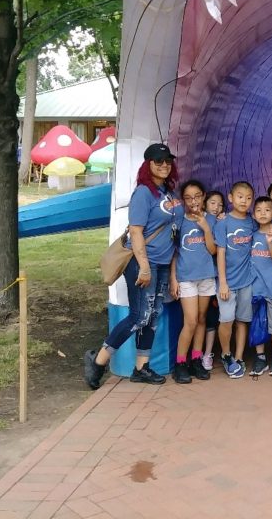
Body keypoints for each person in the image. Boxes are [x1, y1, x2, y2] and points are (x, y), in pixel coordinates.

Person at [83, 143, 179, 389]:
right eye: (158, 161)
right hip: (143, 263)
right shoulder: (143, 193)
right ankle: (98, 361)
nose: (164, 165)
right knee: (139, 317)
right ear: (148, 164)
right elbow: (136, 232)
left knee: (152, 316)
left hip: (162, 264)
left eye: (168, 161)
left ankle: (141, 368)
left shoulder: (167, 192)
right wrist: (144, 266)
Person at [168, 179, 217, 384]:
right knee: (190, 321)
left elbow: (213, 250)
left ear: (204, 196)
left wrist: (206, 228)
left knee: (202, 318)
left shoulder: (211, 220)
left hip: (206, 276)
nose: (193, 201)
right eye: (188, 198)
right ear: (183, 200)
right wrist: (173, 279)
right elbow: (174, 252)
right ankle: (180, 363)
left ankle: (196, 359)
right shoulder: (179, 221)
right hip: (186, 277)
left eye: (197, 196)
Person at [215, 181, 256, 378]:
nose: (244, 201)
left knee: (242, 320)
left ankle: (238, 357)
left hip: (246, 281)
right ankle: (226, 354)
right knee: (226, 320)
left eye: (248, 198)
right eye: (240, 196)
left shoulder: (252, 222)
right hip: (228, 282)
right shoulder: (223, 222)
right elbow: (220, 253)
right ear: (231, 198)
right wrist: (223, 283)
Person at [248, 196, 272, 376]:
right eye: (259, 210)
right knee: (258, 323)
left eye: (267, 210)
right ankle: (260, 357)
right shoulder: (251, 236)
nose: (263, 213)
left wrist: (270, 242)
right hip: (256, 288)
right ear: (253, 214)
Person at [201, 191, 226, 369]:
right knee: (197, 318)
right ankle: (196, 354)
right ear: (205, 203)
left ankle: (207, 353)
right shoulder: (197, 221)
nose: (217, 207)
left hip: (214, 278)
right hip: (197, 277)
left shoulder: (221, 222)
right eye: (213, 203)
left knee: (212, 317)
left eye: (220, 204)